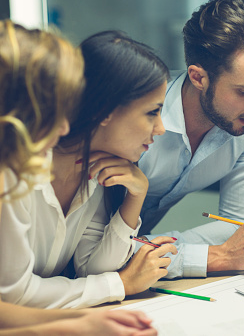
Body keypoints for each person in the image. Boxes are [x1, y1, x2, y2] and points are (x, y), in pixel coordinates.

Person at [0, 29, 177, 309]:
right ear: (104, 111)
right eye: (152, 112)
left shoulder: (96, 171)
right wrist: (120, 284)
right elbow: (13, 295)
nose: (161, 129)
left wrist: (136, 196)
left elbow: (92, 269)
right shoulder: (15, 170)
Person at [137, 0, 244, 278]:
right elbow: (96, 249)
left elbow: (238, 225)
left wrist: (149, 249)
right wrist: (215, 256)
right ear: (198, 78)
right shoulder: (135, 117)